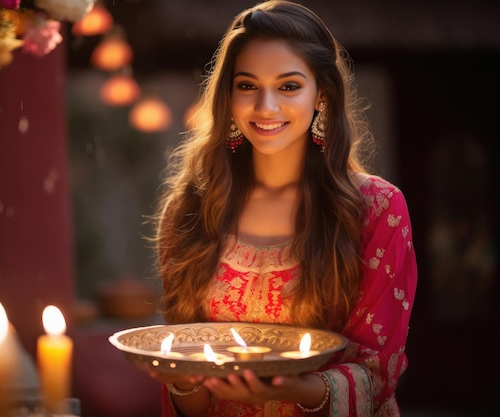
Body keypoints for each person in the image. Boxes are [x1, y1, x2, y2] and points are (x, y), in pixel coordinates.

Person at [148, 1, 417, 416]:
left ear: (321, 95)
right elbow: (187, 390)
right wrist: (183, 381)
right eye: (248, 85)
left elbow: (376, 373)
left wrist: (294, 388)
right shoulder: (188, 212)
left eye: (288, 86)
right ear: (229, 96)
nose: (266, 107)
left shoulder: (376, 209)